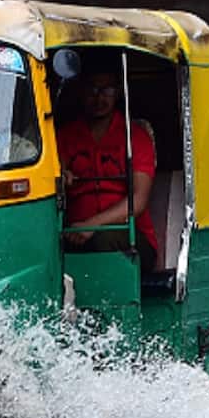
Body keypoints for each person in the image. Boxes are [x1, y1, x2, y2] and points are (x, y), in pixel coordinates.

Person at [57, 67, 158, 272]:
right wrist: (61, 177)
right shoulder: (65, 136)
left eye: (107, 91)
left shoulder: (136, 137)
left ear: (118, 92)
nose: (99, 98)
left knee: (102, 240)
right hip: (75, 233)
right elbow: (53, 175)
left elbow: (138, 200)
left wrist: (91, 225)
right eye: (92, 90)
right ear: (81, 92)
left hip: (129, 238)